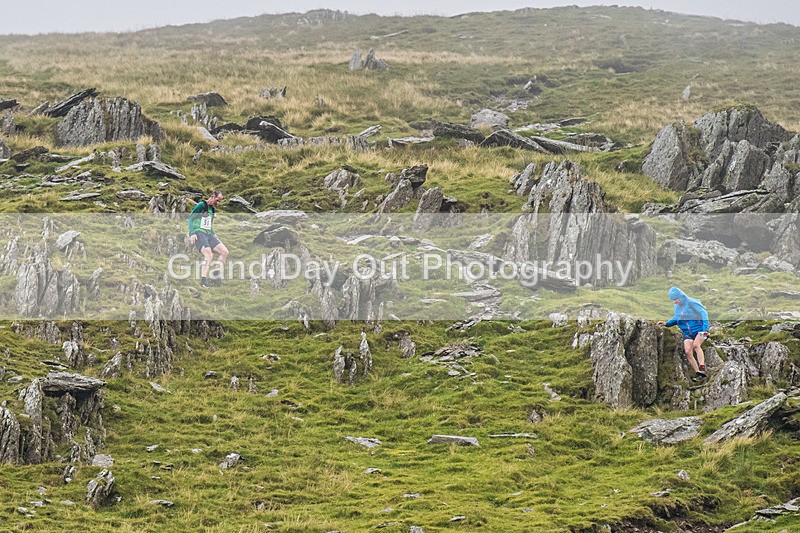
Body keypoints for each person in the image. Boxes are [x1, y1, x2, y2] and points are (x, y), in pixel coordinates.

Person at [658, 286, 709, 382]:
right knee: (688, 351)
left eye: (675, 299)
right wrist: (666, 323)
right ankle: (699, 373)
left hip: (701, 330)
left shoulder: (691, 302)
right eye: (673, 300)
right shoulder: (677, 307)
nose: (674, 302)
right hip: (687, 332)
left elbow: (704, 313)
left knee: (696, 345)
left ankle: (702, 368)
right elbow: (677, 318)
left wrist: (705, 329)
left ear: (680, 296)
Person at [188, 190, 228, 288]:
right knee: (209, 255)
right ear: (212, 196)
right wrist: (192, 233)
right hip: (199, 232)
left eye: (219, 201)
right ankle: (203, 280)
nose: (218, 203)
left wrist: (214, 234)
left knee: (224, 252)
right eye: (217, 200)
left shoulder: (212, 210)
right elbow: (190, 219)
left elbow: (209, 224)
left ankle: (215, 275)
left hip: (209, 234)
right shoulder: (201, 205)